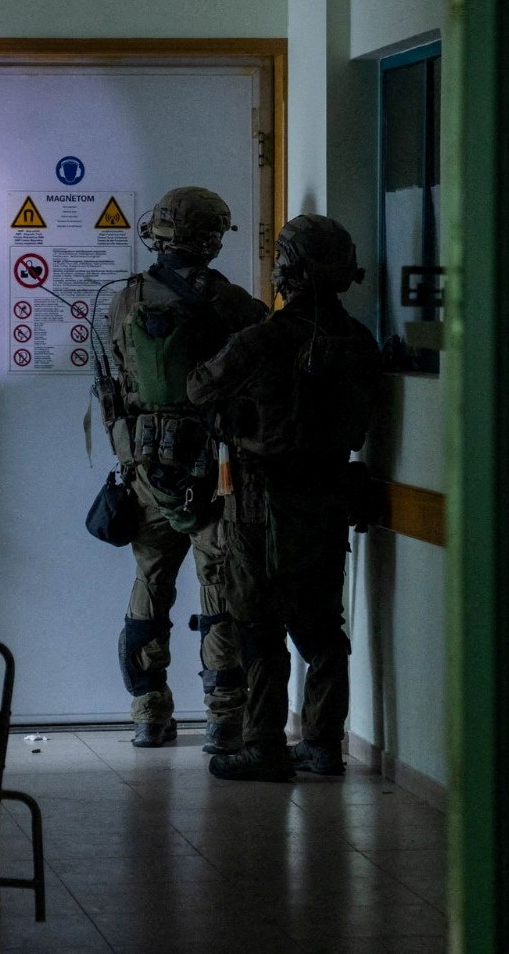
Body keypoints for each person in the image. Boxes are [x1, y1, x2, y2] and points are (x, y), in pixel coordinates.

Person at [187, 214, 383, 781]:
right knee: (323, 629)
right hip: (326, 496)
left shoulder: (263, 338)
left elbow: (199, 385)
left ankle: (263, 745)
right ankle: (321, 744)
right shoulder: (361, 343)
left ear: (287, 271)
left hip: (259, 500)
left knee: (258, 627)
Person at [104, 187, 268, 750]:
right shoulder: (232, 304)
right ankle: (225, 718)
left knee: (150, 585)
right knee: (218, 585)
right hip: (215, 471)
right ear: (211, 238)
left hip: (147, 467)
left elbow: (117, 387)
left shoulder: (124, 301)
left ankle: (148, 711)